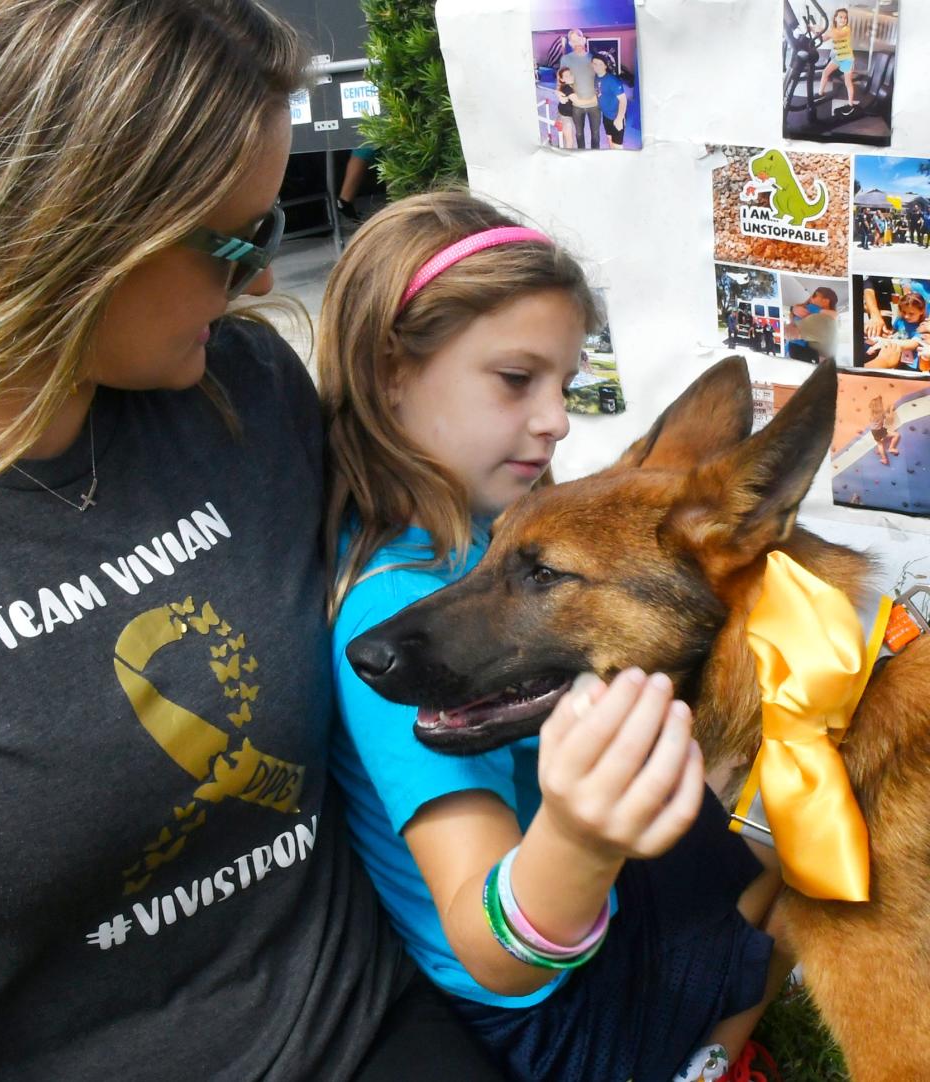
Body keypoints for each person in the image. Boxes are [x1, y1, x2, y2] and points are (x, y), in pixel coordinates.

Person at [0, 4, 508, 1080]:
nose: (266, 279)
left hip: (361, 1024)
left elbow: (427, 541)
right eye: (235, 242)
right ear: (65, 226)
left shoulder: (244, 392)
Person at [320, 189, 790, 1082]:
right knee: (776, 852)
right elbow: (490, 942)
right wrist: (579, 837)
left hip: (580, 910)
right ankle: (710, 1062)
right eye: (515, 380)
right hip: (553, 1014)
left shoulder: (453, 533)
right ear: (390, 371)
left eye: (566, 384)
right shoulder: (402, 628)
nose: (558, 419)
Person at [559, 29, 601, 150]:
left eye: (578, 39)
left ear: (583, 40)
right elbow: (561, 80)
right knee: (579, 134)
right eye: (573, 41)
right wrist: (557, 92)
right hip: (576, 105)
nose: (576, 43)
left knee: (595, 135)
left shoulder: (594, 58)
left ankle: (594, 157)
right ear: (570, 44)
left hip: (594, 104)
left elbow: (602, 78)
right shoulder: (565, 59)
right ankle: (582, 155)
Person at [818, 7, 856, 110]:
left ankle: (850, 104)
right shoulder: (834, 30)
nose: (843, 20)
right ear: (835, 18)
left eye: (845, 18)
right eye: (841, 17)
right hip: (838, 58)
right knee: (825, 72)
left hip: (847, 59)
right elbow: (823, 38)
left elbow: (836, 34)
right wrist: (812, 29)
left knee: (848, 82)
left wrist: (821, 29)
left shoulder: (846, 29)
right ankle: (820, 93)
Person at [591, 54, 628, 149]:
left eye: (600, 64)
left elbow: (623, 101)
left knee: (617, 146)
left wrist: (619, 119)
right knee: (609, 140)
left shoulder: (613, 81)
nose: (597, 66)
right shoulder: (595, 77)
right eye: (595, 63)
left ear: (605, 66)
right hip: (606, 116)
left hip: (616, 116)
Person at [868, 395, 901, 466]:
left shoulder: (872, 414)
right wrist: (891, 409)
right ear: (879, 406)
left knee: (879, 443)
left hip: (874, 431)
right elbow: (891, 419)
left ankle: (882, 456)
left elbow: (881, 415)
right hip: (880, 431)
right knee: (896, 435)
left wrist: (887, 409)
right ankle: (890, 449)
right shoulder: (882, 414)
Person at [554, 67, 580, 148]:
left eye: (570, 74)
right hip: (565, 118)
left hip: (563, 114)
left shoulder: (569, 86)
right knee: (569, 141)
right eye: (566, 76)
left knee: (564, 138)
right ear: (562, 79)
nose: (570, 77)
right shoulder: (567, 88)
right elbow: (578, 101)